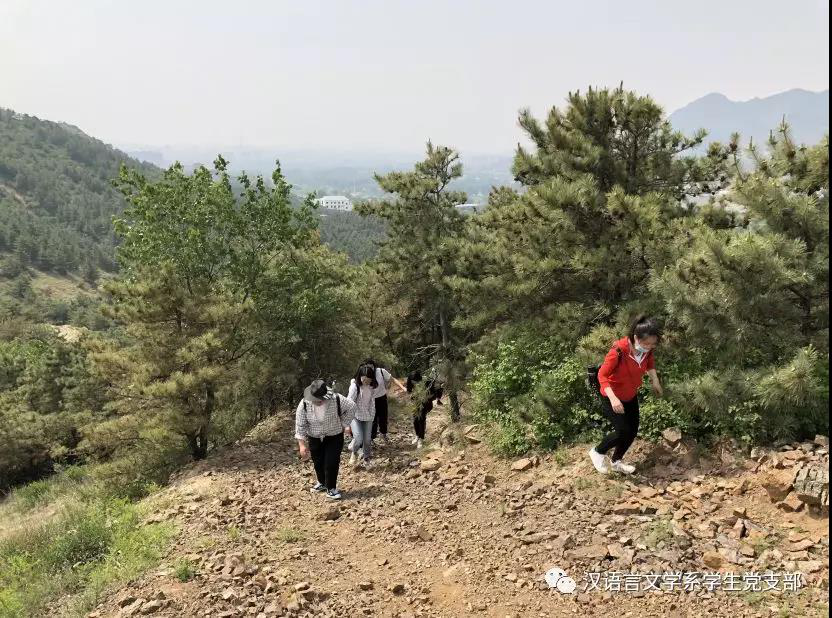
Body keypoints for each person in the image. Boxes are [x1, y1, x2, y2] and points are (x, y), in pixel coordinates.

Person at [588, 316, 663, 475]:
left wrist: (655, 380)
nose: (649, 347)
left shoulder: (646, 351)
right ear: (636, 338)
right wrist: (613, 399)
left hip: (630, 394)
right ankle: (597, 452)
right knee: (622, 431)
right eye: (646, 344)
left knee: (632, 431)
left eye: (653, 344)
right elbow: (602, 375)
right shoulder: (618, 351)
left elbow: (649, 363)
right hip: (611, 395)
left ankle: (616, 461)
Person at [295, 378, 356, 500]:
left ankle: (331, 488)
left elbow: (352, 407)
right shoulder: (304, 403)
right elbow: (300, 424)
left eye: (321, 399)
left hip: (334, 435)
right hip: (314, 436)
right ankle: (322, 483)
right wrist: (302, 445)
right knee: (318, 462)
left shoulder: (337, 399)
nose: (318, 401)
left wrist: (344, 424)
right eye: (316, 399)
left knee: (331, 462)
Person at [363, 358, 406, 444]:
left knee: (383, 418)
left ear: (374, 366)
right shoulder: (364, 374)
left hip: (382, 398)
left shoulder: (381, 371)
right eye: (368, 367)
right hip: (371, 400)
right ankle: (371, 439)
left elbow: (393, 379)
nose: (371, 369)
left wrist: (403, 387)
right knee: (372, 420)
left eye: (372, 367)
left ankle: (383, 434)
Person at [348, 364, 378, 468]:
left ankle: (366, 459)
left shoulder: (372, 387)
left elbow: (373, 404)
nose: (366, 381)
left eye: (368, 380)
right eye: (364, 379)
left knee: (367, 440)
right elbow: (349, 403)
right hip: (355, 416)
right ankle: (354, 452)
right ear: (359, 377)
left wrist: (372, 416)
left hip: (368, 416)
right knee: (358, 438)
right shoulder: (355, 386)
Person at [407, 369, 444, 449]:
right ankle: (417, 435)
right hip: (415, 402)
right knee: (415, 420)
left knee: (421, 419)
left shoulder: (427, 381)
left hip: (426, 403)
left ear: (419, 379)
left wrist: (427, 397)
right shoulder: (410, 380)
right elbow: (409, 391)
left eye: (416, 381)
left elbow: (434, 392)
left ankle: (421, 439)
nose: (414, 383)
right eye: (413, 382)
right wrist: (413, 396)